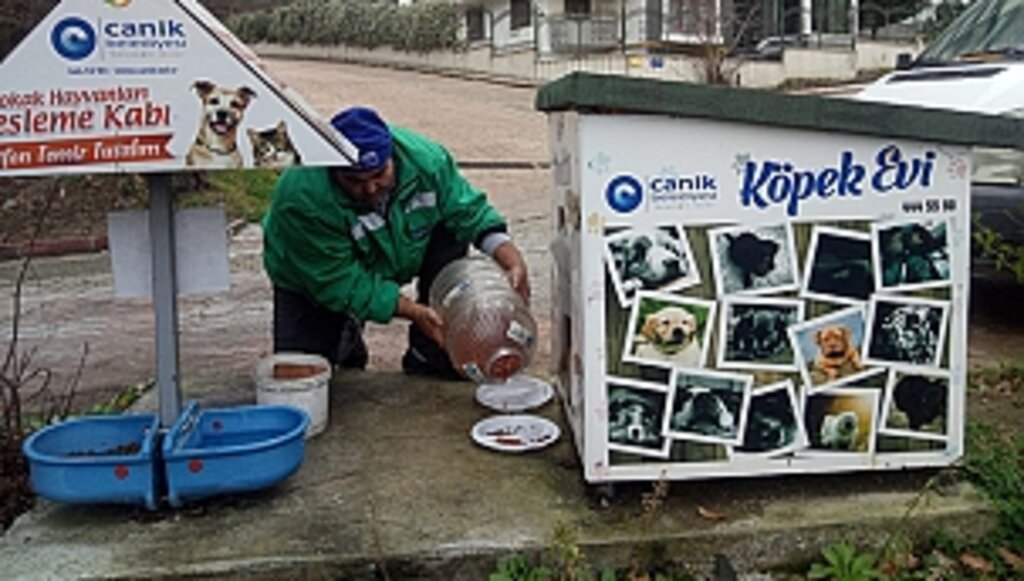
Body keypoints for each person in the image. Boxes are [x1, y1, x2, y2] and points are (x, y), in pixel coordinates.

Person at [262, 106, 530, 379]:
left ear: (392, 156)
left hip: (399, 248)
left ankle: (429, 356)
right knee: (304, 374)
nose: (369, 189)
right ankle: (346, 338)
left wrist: (510, 257)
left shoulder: (427, 161)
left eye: (379, 175)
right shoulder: (301, 196)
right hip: (311, 277)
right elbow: (335, 280)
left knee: (450, 229)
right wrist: (412, 311)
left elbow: (468, 210)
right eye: (353, 180)